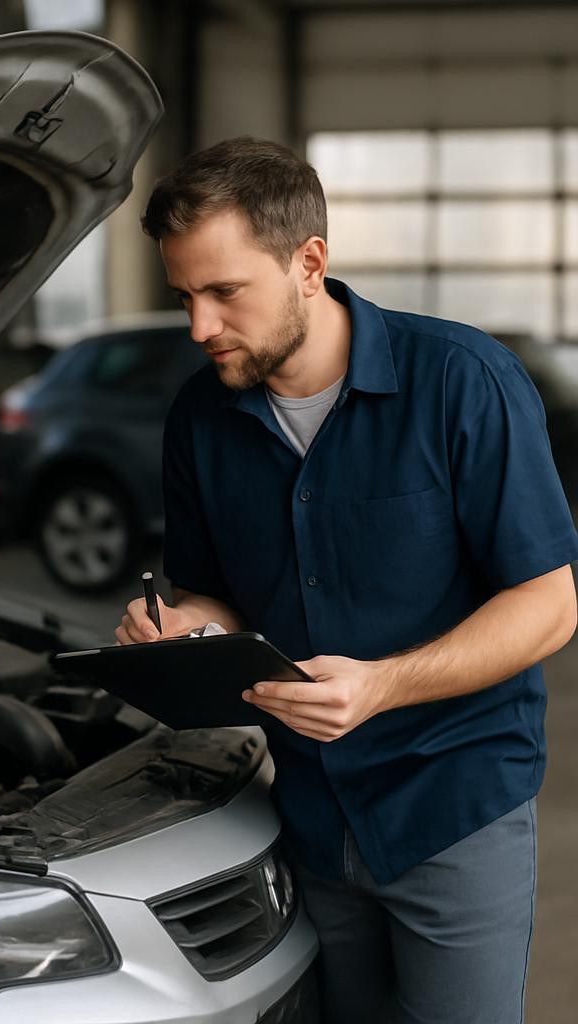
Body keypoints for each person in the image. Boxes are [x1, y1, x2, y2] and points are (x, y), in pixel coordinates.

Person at [114, 136, 578, 1024]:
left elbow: (548, 604)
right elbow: (214, 593)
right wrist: (183, 630)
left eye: (223, 292)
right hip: (308, 821)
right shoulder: (200, 418)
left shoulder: (463, 382)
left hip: (452, 807)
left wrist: (383, 686)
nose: (199, 328)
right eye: (184, 297)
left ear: (309, 263)